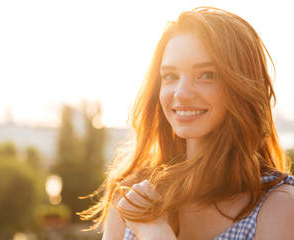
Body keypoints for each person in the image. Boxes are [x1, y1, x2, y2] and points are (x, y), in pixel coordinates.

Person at [79, 7, 294, 240]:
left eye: (206, 74)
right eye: (170, 76)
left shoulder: (279, 208)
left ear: (243, 86)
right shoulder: (131, 195)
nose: (181, 93)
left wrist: (156, 233)